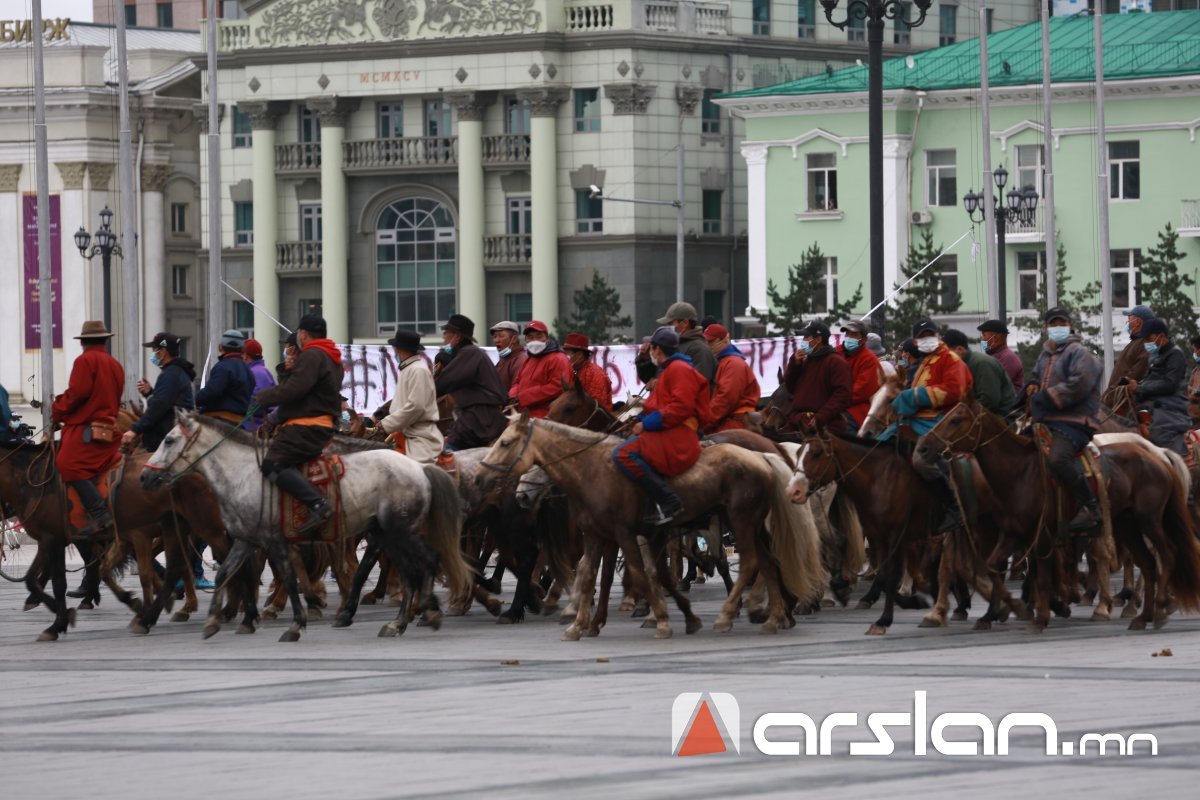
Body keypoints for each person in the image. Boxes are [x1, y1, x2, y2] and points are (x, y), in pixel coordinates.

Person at [251, 315, 343, 536]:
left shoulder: (311, 354)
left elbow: (294, 391)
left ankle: (318, 504)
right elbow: (304, 389)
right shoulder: (330, 355)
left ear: (302, 334)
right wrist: (289, 372)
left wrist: (262, 397)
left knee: (271, 465)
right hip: (319, 423)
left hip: (306, 427)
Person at [612, 326, 711, 525]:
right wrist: (639, 421)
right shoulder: (670, 369)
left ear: (657, 350)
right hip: (669, 430)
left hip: (678, 436)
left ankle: (668, 501)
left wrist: (646, 424)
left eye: (652, 350)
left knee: (621, 453)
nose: (650, 353)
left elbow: (680, 408)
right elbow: (661, 407)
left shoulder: (679, 370)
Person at [888, 320, 974, 532]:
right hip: (918, 419)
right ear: (916, 341)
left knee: (921, 460)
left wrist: (914, 396)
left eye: (930, 335)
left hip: (944, 420)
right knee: (880, 444)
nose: (927, 339)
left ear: (937, 336)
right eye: (922, 336)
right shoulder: (924, 361)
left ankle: (953, 506)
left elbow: (954, 392)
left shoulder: (951, 360)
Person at [1027, 307, 1103, 531]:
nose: (1057, 327)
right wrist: (1032, 385)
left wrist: (1046, 397)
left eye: (1061, 323)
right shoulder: (1045, 354)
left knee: (1058, 459)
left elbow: (1080, 384)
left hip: (1075, 421)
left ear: (1069, 326)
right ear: (1046, 328)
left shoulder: (1080, 352)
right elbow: (1035, 375)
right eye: (1053, 323)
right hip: (1049, 420)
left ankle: (1091, 508)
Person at [51, 320, 124, 536]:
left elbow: (77, 394)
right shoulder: (114, 364)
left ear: (84, 342)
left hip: (87, 430)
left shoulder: (85, 361)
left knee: (66, 464)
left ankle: (99, 513)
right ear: (104, 340)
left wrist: (58, 410)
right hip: (109, 429)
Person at [435, 314, 508, 449]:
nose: (444, 338)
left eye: (446, 333)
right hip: (479, 418)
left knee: (445, 456)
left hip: (479, 420)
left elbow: (442, 384)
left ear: (457, 337)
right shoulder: (470, 353)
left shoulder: (469, 353)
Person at [377, 330, 443, 463]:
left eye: (395, 347)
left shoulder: (417, 370)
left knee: (417, 475)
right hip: (408, 434)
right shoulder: (410, 368)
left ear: (399, 348)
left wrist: (386, 423)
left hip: (420, 438)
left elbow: (416, 407)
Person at [123, 332, 195, 453]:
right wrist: (150, 393)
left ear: (163, 352)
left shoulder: (170, 374)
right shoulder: (177, 372)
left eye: (154, 350)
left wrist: (135, 429)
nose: (153, 355)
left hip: (164, 439)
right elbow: (167, 401)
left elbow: (158, 407)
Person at [1131, 318, 1191, 455]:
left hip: (1171, 407)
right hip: (1151, 404)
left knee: (1160, 435)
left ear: (1162, 336)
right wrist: (1135, 387)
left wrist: (1140, 388)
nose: (1146, 343)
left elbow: (1170, 384)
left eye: (1148, 338)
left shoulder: (1176, 354)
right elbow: (1149, 380)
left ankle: (1176, 469)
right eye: (1144, 339)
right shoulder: (1153, 355)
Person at [783, 321, 852, 433]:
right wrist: (794, 365)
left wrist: (821, 416)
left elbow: (843, 395)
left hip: (824, 426)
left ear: (818, 339)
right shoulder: (807, 360)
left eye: (806, 337)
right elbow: (791, 388)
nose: (803, 341)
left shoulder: (836, 362)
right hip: (798, 421)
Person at [942, 329, 1017, 416]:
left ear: (960, 350)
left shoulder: (982, 364)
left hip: (1002, 418)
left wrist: (960, 413)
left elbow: (989, 401)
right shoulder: (960, 366)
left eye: (946, 354)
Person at [509, 321, 573, 419]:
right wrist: (512, 395)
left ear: (547, 338)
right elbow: (518, 381)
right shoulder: (529, 359)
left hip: (547, 417)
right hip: (524, 415)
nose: (535, 340)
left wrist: (523, 397)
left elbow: (558, 387)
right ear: (525, 339)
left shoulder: (558, 358)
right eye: (530, 337)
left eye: (539, 336)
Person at [703, 324, 760, 432]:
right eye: (705, 341)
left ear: (725, 340)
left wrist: (705, 423)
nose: (707, 345)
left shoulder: (733, 364)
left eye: (711, 341)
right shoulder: (724, 361)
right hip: (728, 421)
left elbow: (726, 399)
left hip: (736, 424)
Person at [194, 330, 255, 426]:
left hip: (219, 422)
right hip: (240, 423)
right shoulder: (248, 370)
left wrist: (193, 400)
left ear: (220, 347)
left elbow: (211, 392)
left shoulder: (222, 367)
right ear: (243, 349)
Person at [652, 301, 717, 384]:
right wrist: (644, 360)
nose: (668, 328)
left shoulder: (700, 349)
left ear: (685, 323)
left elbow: (697, 384)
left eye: (671, 323)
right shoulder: (676, 344)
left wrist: (663, 385)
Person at [1103, 304, 1154, 408]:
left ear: (1138, 322)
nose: (1127, 323)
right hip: (1116, 399)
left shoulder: (1144, 344)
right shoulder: (1135, 343)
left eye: (1129, 319)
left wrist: (1113, 394)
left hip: (1124, 403)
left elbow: (1135, 374)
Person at [838, 320, 883, 430]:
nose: (849, 337)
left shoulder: (870, 360)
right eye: (847, 334)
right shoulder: (835, 353)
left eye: (854, 334)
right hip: (832, 404)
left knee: (841, 428)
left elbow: (861, 391)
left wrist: (835, 401)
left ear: (863, 339)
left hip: (857, 410)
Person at [562, 333, 613, 412]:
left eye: (566, 354)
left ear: (579, 355)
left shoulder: (595, 373)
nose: (564, 357)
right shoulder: (575, 371)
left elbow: (597, 406)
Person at [976, 319, 1025, 398]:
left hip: (1008, 407)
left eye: (984, 335)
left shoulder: (1008, 357)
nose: (982, 339)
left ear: (995, 339)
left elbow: (994, 385)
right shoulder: (993, 356)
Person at [242, 338, 277, 431]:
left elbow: (257, 402)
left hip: (254, 426)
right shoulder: (263, 371)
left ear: (245, 356)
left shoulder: (255, 373)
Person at [490, 321, 527, 393]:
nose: (496, 340)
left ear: (515, 339)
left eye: (501, 336)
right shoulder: (503, 359)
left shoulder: (520, 360)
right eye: (495, 337)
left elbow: (517, 390)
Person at [1188, 335, 1200, 428]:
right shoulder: (1195, 371)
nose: (1194, 353)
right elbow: (1190, 388)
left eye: (1194, 350)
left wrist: (1194, 394)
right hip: (1193, 416)